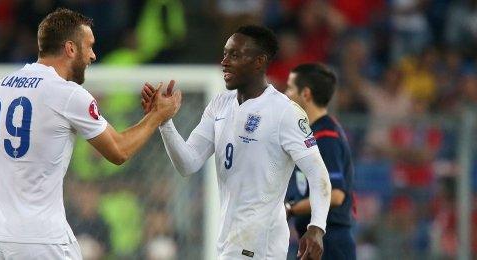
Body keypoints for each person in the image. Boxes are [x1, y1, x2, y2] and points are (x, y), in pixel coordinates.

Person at [0, 8, 181, 259]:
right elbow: (119, 151)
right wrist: (157, 116)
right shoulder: (67, 93)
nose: (93, 55)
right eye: (89, 46)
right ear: (71, 49)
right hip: (39, 237)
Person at [142, 25, 331, 259]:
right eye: (225, 54)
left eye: (235, 55)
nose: (225, 61)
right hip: (230, 238)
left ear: (259, 61)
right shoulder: (219, 104)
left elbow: (319, 174)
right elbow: (187, 163)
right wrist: (164, 122)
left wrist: (316, 228)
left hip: (260, 241)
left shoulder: (284, 112)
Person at [284, 63, 356, 260]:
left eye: (290, 88)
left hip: (330, 241)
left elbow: (336, 195)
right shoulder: (309, 134)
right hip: (316, 240)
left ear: (305, 94)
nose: (286, 94)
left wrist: (291, 209)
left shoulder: (326, 136)